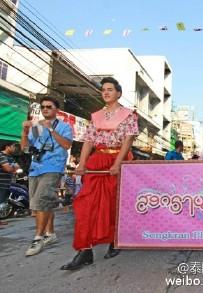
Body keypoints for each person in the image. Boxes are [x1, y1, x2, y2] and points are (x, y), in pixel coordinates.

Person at [61, 77, 138, 270]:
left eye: (110, 89)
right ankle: (84, 250)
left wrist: (118, 164)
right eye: (103, 89)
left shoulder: (129, 115)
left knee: (114, 205)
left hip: (118, 162)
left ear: (118, 93)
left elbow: (128, 142)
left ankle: (115, 240)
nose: (105, 92)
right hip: (97, 163)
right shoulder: (95, 116)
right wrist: (82, 163)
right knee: (86, 206)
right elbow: (88, 141)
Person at [20, 97, 73, 256]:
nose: (45, 109)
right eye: (43, 107)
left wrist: (50, 129)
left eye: (49, 107)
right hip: (36, 167)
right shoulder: (36, 128)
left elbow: (66, 145)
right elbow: (25, 149)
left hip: (53, 167)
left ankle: (38, 238)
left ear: (57, 110)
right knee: (42, 203)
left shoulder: (64, 126)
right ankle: (50, 233)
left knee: (40, 200)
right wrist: (24, 132)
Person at [0, 141, 21, 225]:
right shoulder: (1, 155)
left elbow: (18, 166)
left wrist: (11, 167)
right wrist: (13, 167)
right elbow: (8, 169)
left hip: (7, 183)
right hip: (1, 182)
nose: (14, 148)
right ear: (7, 147)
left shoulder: (10, 157)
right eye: (13, 146)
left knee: (1, 201)